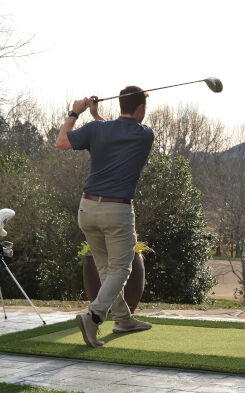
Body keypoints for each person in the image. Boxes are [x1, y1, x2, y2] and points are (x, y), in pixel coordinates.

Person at [56, 87, 154, 347]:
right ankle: (94, 317)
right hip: (117, 211)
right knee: (122, 268)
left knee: (105, 268)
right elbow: (116, 134)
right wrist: (95, 116)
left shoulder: (97, 130)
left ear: (121, 104)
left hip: (87, 208)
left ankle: (123, 319)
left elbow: (62, 141)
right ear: (141, 109)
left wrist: (76, 113)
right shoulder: (145, 135)